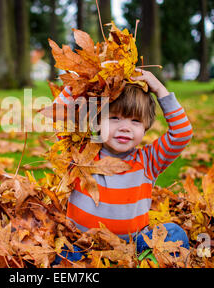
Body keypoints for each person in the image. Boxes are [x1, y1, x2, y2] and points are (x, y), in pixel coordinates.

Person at [52, 69, 193, 264]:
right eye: (114, 118)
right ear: (97, 121)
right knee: (62, 253)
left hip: (133, 247)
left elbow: (182, 133)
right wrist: (85, 79)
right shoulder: (81, 151)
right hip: (83, 246)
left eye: (135, 121)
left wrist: (160, 89)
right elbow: (58, 113)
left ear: (146, 127)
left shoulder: (149, 160)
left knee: (174, 233)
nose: (125, 127)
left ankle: (146, 261)